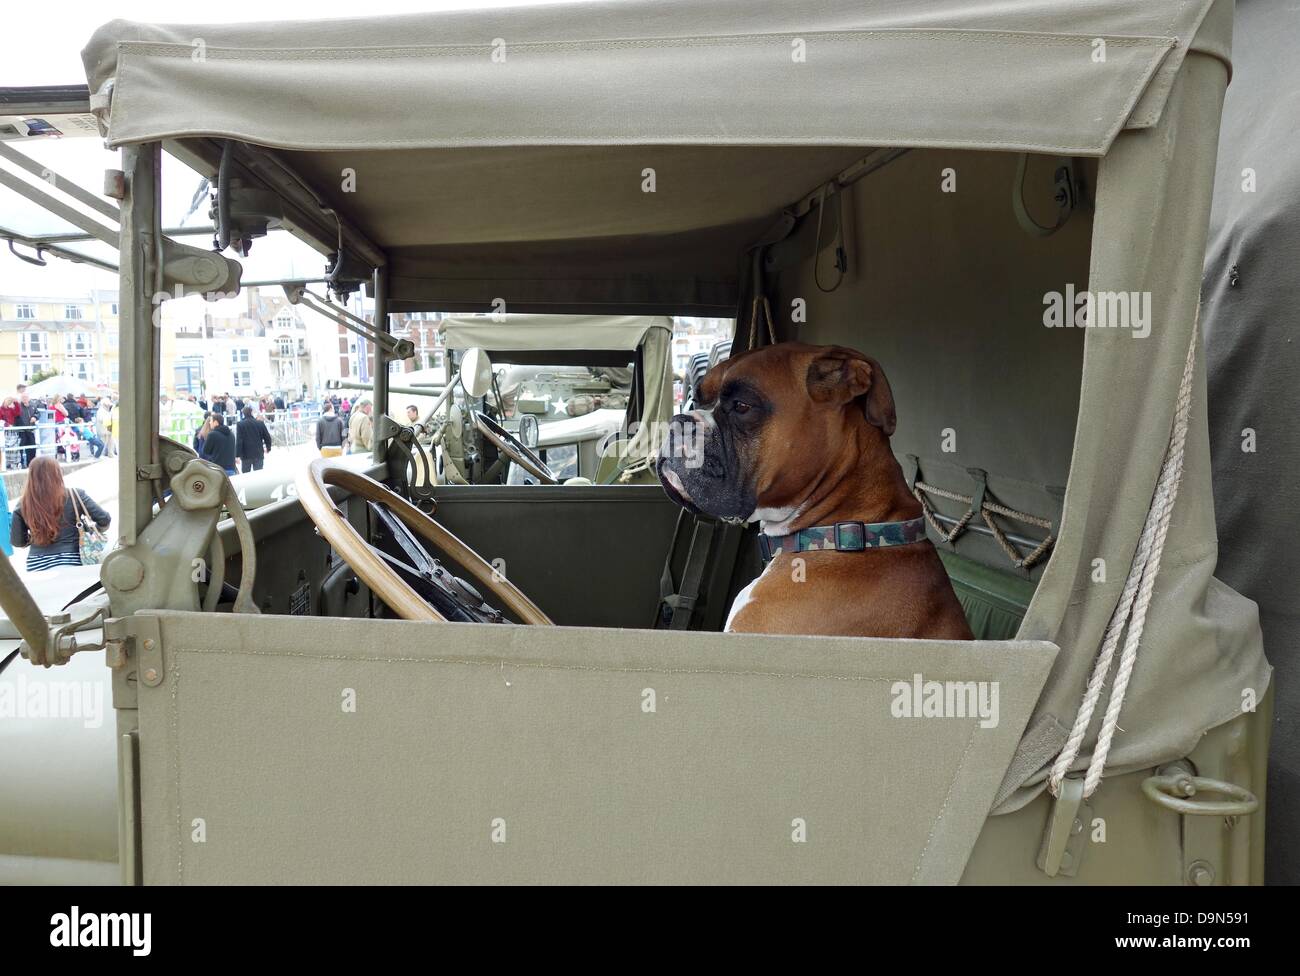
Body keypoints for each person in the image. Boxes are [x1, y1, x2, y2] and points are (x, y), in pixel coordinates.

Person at [9, 456, 111, 571]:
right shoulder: (75, 495)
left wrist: (33, 536)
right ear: (58, 473)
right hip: (72, 560)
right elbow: (104, 519)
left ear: (31, 476)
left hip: (36, 564)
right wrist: (90, 531)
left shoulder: (23, 504)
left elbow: (17, 542)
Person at [235, 406, 273, 472]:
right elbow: (267, 437)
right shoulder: (260, 423)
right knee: (258, 476)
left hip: (246, 454)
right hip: (258, 453)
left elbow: (239, 441)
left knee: (246, 475)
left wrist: (237, 455)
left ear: (243, 414)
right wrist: (268, 447)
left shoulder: (240, 424)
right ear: (251, 413)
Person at [15, 387, 37, 468]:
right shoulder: (18, 406)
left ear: (29, 398)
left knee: (32, 447)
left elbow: (37, 413)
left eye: (26, 397)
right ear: (21, 398)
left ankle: (31, 464)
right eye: (23, 397)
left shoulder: (32, 405)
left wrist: (35, 417)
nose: (25, 399)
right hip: (21, 431)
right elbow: (15, 416)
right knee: (21, 448)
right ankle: (21, 464)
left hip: (30, 430)